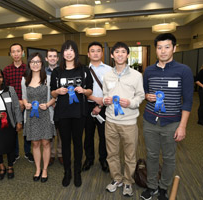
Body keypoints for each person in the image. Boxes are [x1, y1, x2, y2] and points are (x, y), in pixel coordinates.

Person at [141, 33, 193, 200]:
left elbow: (188, 101)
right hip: (150, 121)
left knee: (169, 157)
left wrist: (182, 126)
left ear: (174, 48)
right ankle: (151, 186)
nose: (163, 51)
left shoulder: (183, 71)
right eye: (159, 47)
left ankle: (163, 187)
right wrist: (146, 96)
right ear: (156, 49)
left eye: (167, 47)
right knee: (152, 155)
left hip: (172, 122)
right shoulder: (148, 71)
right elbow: (144, 92)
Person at [103, 42, 144, 197]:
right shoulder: (107, 75)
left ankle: (128, 181)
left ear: (127, 55)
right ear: (112, 55)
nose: (120, 54)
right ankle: (117, 179)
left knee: (130, 155)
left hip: (129, 122)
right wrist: (106, 99)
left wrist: (131, 103)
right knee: (111, 153)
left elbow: (140, 96)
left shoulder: (136, 75)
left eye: (123, 52)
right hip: (111, 121)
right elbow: (106, 93)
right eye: (117, 52)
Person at [51, 40, 93, 187]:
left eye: (72, 50)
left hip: (79, 112)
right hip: (63, 113)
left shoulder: (84, 70)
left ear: (75, 52)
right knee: (66, 144)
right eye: (66, 50)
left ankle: (77, 173)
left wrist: (84, 91)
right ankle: (67, 172)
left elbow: (90, 90)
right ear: (62, 53)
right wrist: (57, 91)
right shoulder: (57, 71)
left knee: (77, 143)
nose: (69, 53)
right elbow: (52, 92)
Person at [21, 52, 56, 182]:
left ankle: (45, 169)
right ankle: (37, 168)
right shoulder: (24, 79)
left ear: (42, 64)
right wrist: (26, 104)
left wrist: (47, 105)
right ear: (29, 64)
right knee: (35, 143)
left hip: (45, 114)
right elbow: (24, 97)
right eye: (32, 62)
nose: (35, 64)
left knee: (46, 143)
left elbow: (54, 97)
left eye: (38, 62)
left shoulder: (48, 78)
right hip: (31, 116)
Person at [82, 41, 112, 172]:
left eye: (98, 50)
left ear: (102, 53)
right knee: (88, 135)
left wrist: (100, 105)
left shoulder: (109, 70)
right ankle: (89, 159)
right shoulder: (82, 70)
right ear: (88, 54)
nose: (95, 53)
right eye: (92, 51)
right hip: (87, 106)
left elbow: (112, 90)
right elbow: (81, 90)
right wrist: (94, 99)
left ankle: (103, 159)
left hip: (105, 106)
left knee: (103, 135)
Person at [3, 43, 34, 163]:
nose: (16, 54)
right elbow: (5, 89)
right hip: (11, 105)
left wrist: (23, 102)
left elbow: (31, 87)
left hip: (27, 104)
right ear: (10, 54)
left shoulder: (28, 69)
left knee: (27, 129)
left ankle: (27, 152)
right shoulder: (6, 70)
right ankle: (15, 153)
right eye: (13, 52)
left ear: (22, 53)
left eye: (18, 51)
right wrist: (17, 103)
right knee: (13, 130)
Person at [45, 48, 63, 166]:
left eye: (54, 56)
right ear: (46, 59)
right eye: (50, 56)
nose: (52, 58)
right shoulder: (41, 73)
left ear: (57, 58)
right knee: (50, 132)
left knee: (61, 132)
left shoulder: (63, 71)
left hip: (61, 106)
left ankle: (60, 154)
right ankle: (51, 154)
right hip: (47, 106)